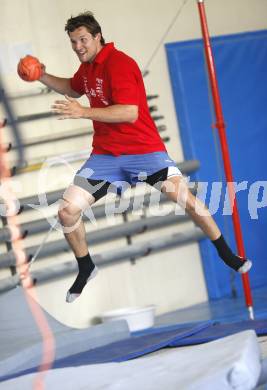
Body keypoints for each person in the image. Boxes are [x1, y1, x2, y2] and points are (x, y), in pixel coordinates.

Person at [30, 11, 251, 302]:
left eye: (83, 39)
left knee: (187, 200)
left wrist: (83, 112)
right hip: (107, 157)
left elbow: (128, 112)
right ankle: (86, 266)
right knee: (67, 211)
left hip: (144, 151)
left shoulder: (120, 64)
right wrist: (41, 75)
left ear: (98, 36)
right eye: (73, 42)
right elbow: (72, 87)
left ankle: (226, 253)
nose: (78, 47)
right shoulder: (88, 68)